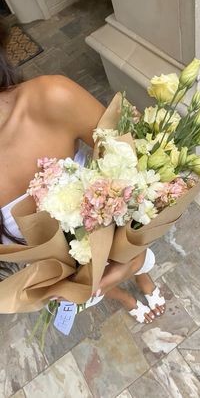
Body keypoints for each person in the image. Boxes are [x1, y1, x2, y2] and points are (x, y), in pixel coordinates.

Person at [0, 19, 165, 324]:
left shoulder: (52, 97)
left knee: (135, 260)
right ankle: (125, 296)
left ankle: (143, 278)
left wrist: (129, 259)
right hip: (61, 274)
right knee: (92, 290)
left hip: (118, 239)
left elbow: (142, 166)